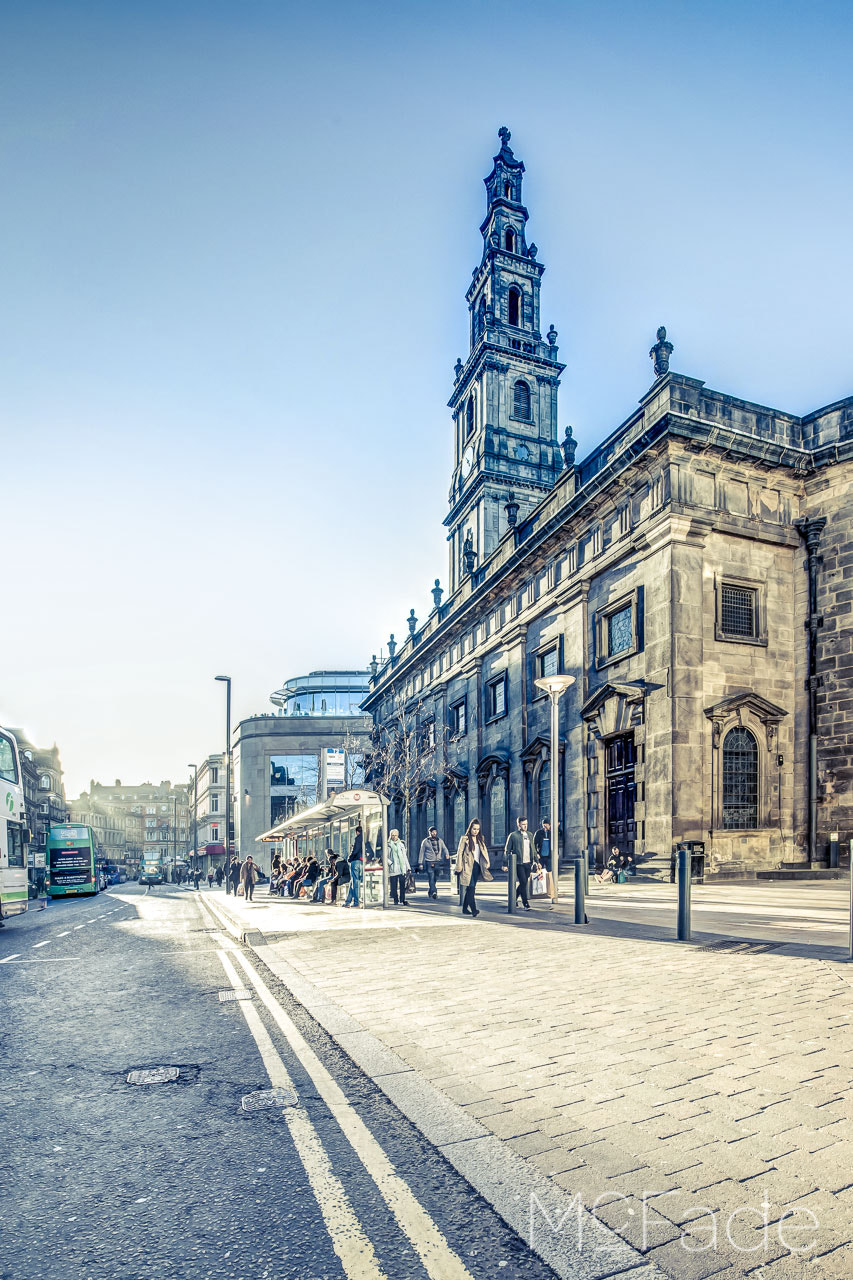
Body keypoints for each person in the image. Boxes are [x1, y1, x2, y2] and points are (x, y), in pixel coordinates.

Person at [455, 818, 492, 917]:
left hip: (477, 866)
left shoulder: (481, 839)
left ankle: (464, 909)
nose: (476, 831)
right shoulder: (464, 839)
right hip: (467, 866)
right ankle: (474, 909)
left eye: (477, 829)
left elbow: (484, 852)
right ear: (470, 828)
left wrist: (487, 862)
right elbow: (459, 853)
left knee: (471, 888)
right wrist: (458, 867)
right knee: (471, 888)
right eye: (474, 829)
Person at [504, 816, 535, 910]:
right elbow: (507, 850)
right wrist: (505, 864)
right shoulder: (513, 835)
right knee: (523, 881)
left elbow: (533, 849)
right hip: (518, 863)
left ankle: (514, 898)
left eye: (526, 824)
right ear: (518, 824)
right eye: (523, 824)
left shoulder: (530, 834)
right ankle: (525, 903)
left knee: (524, 883)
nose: (525, 826)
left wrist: (537, 861)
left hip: (528, 863)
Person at [418, 826, 449, 900]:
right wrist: (420, 863)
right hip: (429, 862)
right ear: (430, 833)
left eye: (435, 832)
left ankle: (430, 891)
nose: (434, 833)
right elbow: (421, 852)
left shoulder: (440, 841)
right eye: (432, 832)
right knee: (431, 877)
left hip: (437, 862)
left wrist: (447, 854)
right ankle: (434, 892)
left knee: (436, 877)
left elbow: (444, 848)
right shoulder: (425, 841)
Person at [388, 829, 411, 906]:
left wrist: (408, 867)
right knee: (393, 886)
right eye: (393, 835)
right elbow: (385, 856)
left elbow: (404, 857)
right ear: (390, 836)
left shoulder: (401, 845)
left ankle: (403, 899)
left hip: (401, 868)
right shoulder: (388, 845)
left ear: (398, 835)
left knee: (402, 885)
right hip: (393, 868)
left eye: (396, 835)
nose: (394, 837)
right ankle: (395, 900)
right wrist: (390, 863)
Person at [344, 826, 364, 908]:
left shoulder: (358, 838)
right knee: (353, 882)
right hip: (362, 862)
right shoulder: (366, 838)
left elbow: (355, 850)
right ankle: (348, 901)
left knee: (355, 882)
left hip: (355, 861)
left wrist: (350, 858)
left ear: (357, 832)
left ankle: (356, 902)